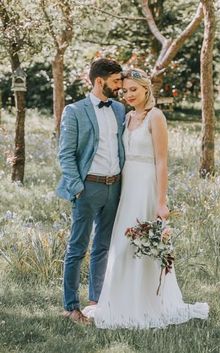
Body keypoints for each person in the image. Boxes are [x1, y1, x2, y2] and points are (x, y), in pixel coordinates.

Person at [82, 68, 209, 329]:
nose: (128, 94)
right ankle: (120, 300)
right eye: (124, 90)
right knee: (123, 242)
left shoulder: (156, 117)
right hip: (126, 187)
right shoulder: (127, 117)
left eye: (133, 90)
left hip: (146, 188)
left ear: (146, 89)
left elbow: (162, 162)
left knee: (144, 242)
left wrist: (161, 201)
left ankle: (148, 302)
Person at [56, 58, 125, 324]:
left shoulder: (119, 109)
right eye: (116, 81)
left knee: (103, 247)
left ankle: (96, 301)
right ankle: (72, 306)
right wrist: (77, 188)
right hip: (88, 188)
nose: (120, 86)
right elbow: (66, 154)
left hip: (115, 186)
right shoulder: (75, 111)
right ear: (100, 81)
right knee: (77, 247)